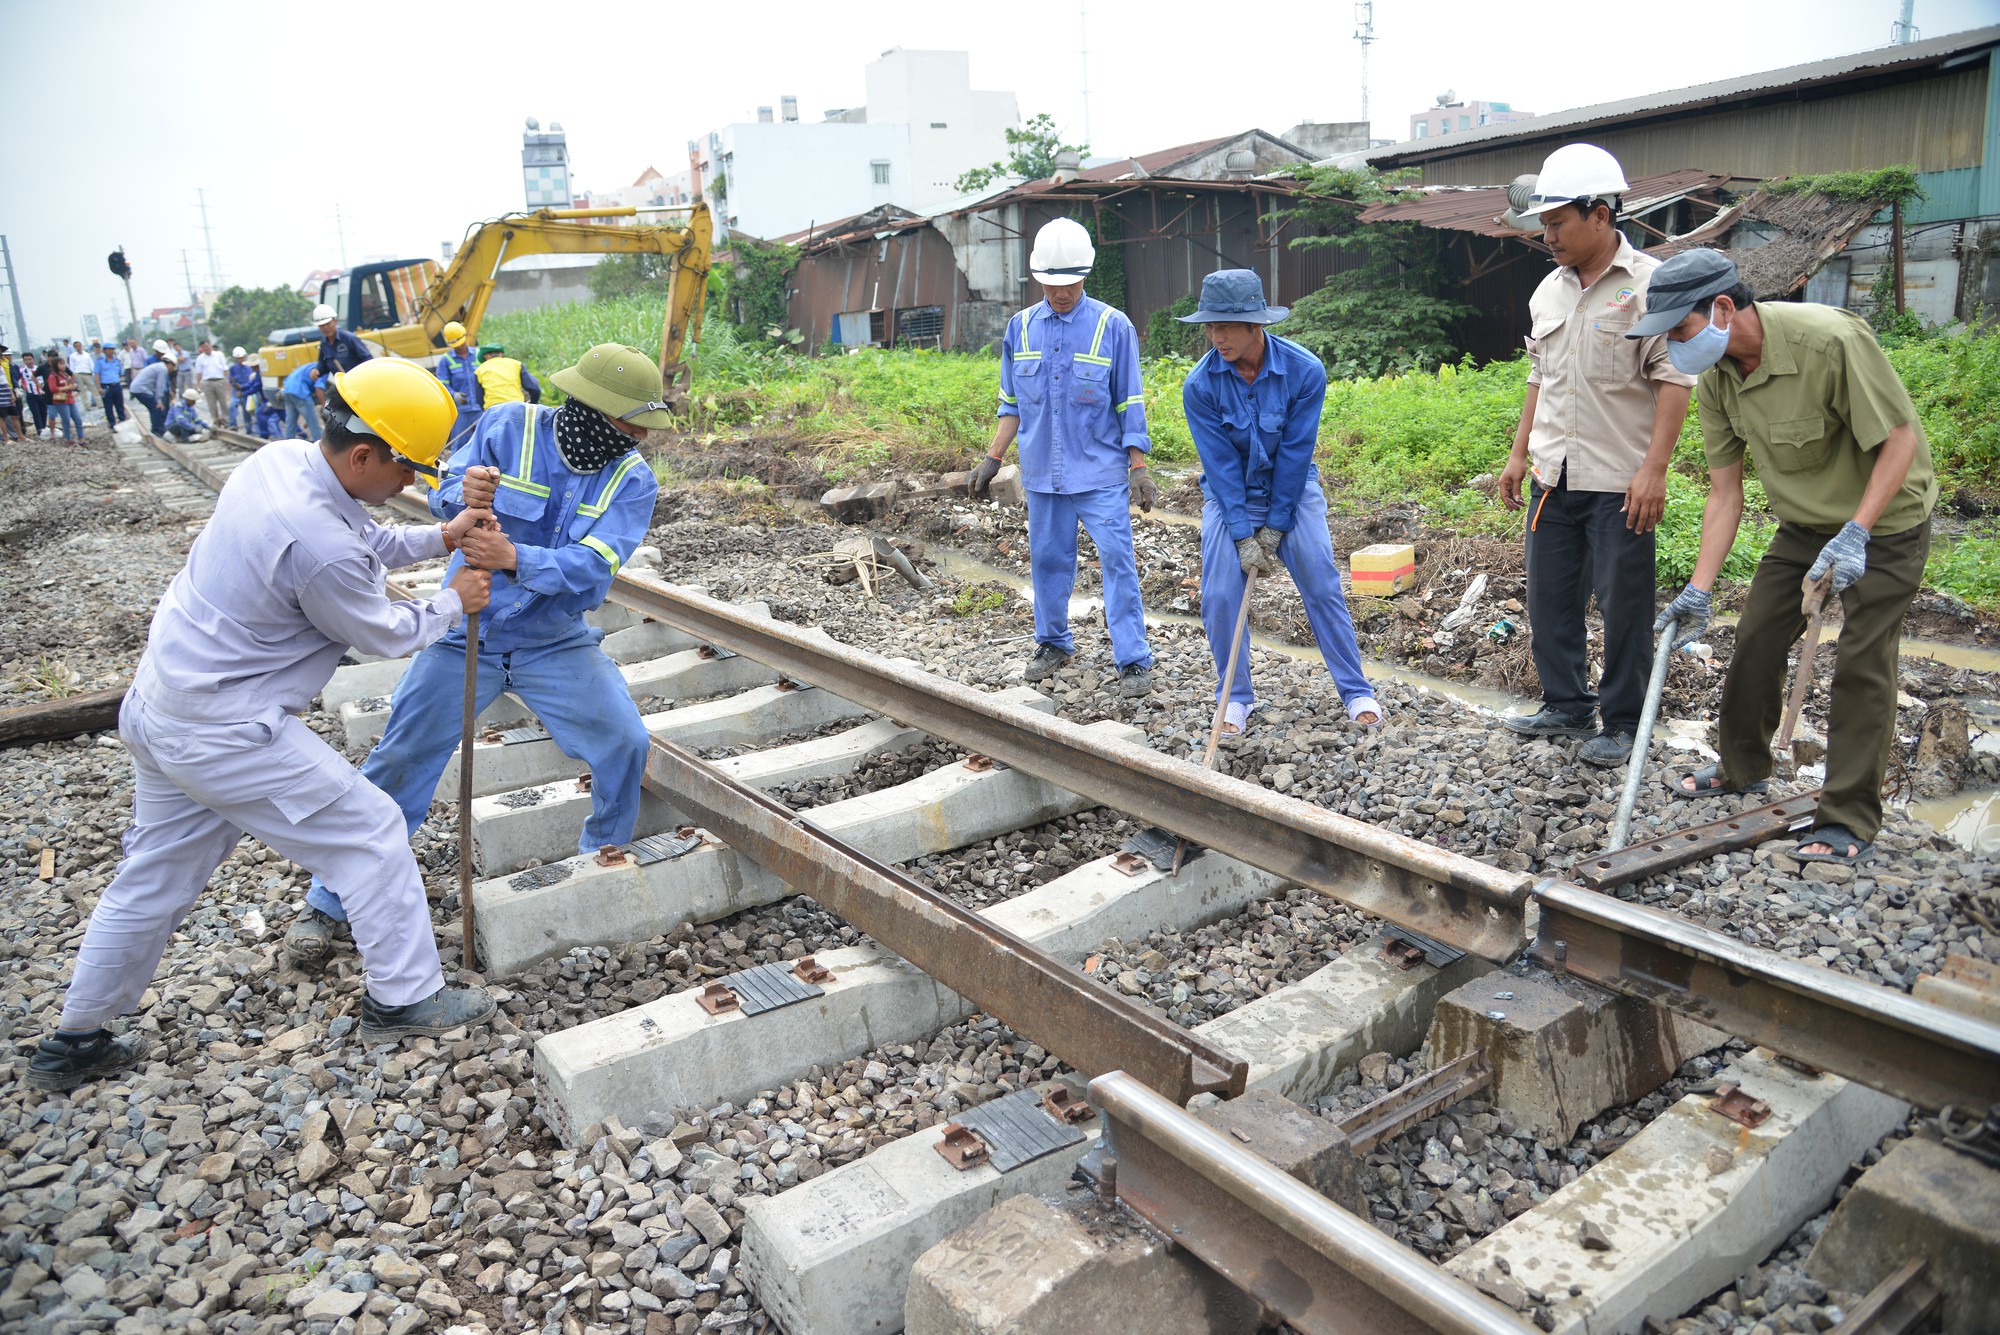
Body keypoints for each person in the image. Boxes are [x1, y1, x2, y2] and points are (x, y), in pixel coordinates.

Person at [25, 359, 499, 1091]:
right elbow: (381, 629)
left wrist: (439, 538)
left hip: (162, 705)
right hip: (225, 730)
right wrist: (454, 600)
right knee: (371, 829)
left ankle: (74, 1040)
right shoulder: (318, 546)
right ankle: (404, 998)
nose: (414, 481)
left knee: (151, 877)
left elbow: (362, 538)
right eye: (409, 467)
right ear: (365, 454)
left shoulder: (280, 463)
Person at [285, 343, 664, 967]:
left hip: (554, 640)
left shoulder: (632, 479)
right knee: (401, 756)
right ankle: (329, 900)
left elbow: (596, 572)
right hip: (468, 629)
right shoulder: (506, 426)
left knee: (623, 743)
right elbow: (433, 494)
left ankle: (600, 860)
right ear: (592, 411)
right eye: (629, 424)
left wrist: (517, 558)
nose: (637, 438)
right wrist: (462, 496)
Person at [1643, 249, 1938, 865]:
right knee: (1753, 639)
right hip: (1803, 527)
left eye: (1679, 329)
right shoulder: (1720, 376)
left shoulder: (1829, 340)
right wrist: (1698, 588)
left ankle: (1847, 818)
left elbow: (1900, 440)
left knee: (1862, 661)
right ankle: (1744, 767)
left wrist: (1858, 531)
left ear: (1723, 307)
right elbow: (1726, 494)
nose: (1672, 346)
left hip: (1884, 523)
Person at [1495, 145, 1696, 767]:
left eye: (1557, 222)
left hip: (1620, 479)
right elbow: (1538, 376)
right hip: (1553, 476)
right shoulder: (1547, 292)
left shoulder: (1650, 286)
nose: (1547, 235)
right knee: (1549, 596)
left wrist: (1654, 469)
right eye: (1544, 224)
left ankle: (1626, 720)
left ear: (1602, 213)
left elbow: (1673, 379)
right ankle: (1567, 703)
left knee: (1623, 603)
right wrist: (1517, 452)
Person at [1180, 269, 1381, 734]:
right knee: (1218, 594)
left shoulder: (1304, 371)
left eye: (1227, 327)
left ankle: (1356, 691)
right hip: (1232, 497)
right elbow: (1220, 468)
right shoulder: (1201, 385)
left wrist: (1275, 525)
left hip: (1291, 490)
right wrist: (1242, 534)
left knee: (1321, 580)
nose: (1216, 337)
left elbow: (1295, 454)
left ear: (1257, 325)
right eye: (1210, 327)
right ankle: (1235, 697)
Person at [968, 217, 1156, 696]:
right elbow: (1012, 404)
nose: (1061, 293)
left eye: (1069, 283)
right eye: (1051, 285)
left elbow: (1129, 403)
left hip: (1099, 475)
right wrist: (992, 458)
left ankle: (1133, 659)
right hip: (1042, 476)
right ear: (1038, 280)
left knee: (1117, 559)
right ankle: (1053, 643)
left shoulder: (1114, 327)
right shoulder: (1020, 329)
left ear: (1084, 276)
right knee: (1048, 561)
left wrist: (1139, 466)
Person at [433, 321, 482, 447]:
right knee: (459, 444)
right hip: (462, 411)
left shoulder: (478, 355)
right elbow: (442, 384)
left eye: (460, 343)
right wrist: (454, 395)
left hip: (480, 409)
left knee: (484, 441)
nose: (459, 347)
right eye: (455, 345)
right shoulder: (446, 360)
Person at [314, 302, 373, 379]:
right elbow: (323, 365)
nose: (325, 328)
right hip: (341, 384)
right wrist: (317, 371)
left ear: (335, 321)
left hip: (358, 380)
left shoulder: (349, 338)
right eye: (322, 326)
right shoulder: (324, 343)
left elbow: (368, 359)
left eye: (328, 324)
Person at [474, 345, 541, 408]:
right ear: (502, 354)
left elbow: (479, 399)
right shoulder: (516, 364)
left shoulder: (480, 370)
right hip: (516, 406)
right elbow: (534, 389)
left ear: (485, 356)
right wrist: (532, 404)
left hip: (493, 408)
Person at [130, 350, 174, 434]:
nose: (172, 369)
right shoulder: (163, 369)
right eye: (173, 367)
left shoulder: (159, 366)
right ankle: (156, 431)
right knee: (157, 408)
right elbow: (160, 386)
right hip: (140, 389)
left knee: (154, 409)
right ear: (170, 363)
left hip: (138, 389)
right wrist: (159, 400)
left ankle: (158, 429)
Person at [44, 354, 83, 442]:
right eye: (61, 364)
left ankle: (81, 438)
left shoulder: (65, 375)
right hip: (61, 401)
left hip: (70, 399)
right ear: (56, 365)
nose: (63, 366)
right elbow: (53, 389)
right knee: (66, 421)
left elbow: (71, 380)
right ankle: (68, 439)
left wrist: (73, 387)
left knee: (78, 419)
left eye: (64, 363)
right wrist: (67, 388)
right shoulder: (53, 376)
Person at [193, 338, 231, 428]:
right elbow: (199, 372)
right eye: (203, 347)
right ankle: (216, 421)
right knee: (211, 403)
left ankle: (225, 420)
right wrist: (197, 384)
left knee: (223, 402)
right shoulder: (200, 358)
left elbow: (225, 368)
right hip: (207, 382)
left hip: (219, 380)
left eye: (207, 346)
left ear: (210, 345)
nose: (206, 349)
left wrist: (227, 380)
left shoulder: (219, 355)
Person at [283, 362, 324, 441]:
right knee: (313, 421)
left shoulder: (311, 365)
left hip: (287, 390)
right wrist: (324, 405)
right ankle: (318, 443)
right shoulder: (322, 370)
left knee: (290, 422)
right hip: (300, 391)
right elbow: (319, 388)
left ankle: (288, 442)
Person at [228, 346, 263, 428]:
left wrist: (244, 390)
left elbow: (253, 383)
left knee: (247, 410)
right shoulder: (233, 368)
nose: (240, 360)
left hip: (248, 391)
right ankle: (233, 425)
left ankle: (249, 428)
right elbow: (231, 380)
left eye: (241, 358)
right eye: (238, 358)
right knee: (231, 407)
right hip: (237, 392)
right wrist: (236, 386)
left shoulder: (249, 367)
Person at [95, 342, 128, 426]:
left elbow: (120, 373)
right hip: (106, 386)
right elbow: (96, 375)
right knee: (108, 407)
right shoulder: (100, 362)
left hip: (116, 385)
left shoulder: (117, 361)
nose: (111, 351)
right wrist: (99, 388)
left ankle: (123, 421)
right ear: (104, 351)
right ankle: (112, 424)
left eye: (113, 349)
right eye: (109, 349)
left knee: (120, 405)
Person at [0, 344, 25, 442]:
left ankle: (20, 436)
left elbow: (11, 377)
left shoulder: (6, 362)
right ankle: (7, 437)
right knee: (2, 416)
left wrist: (14, 389)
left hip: (8, 388)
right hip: (2, 391)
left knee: (15, 414)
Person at [22, 351, 49, 438]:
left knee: (44, 412)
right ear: (24, 361)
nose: (28, 361)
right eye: (26, 360)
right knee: (36, 413)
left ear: (33, 359)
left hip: (42, 394)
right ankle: (39, 431)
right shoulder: (22, 371)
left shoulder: (39, 368)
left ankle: (44, 428)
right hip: (31, 395)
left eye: (30, 359)